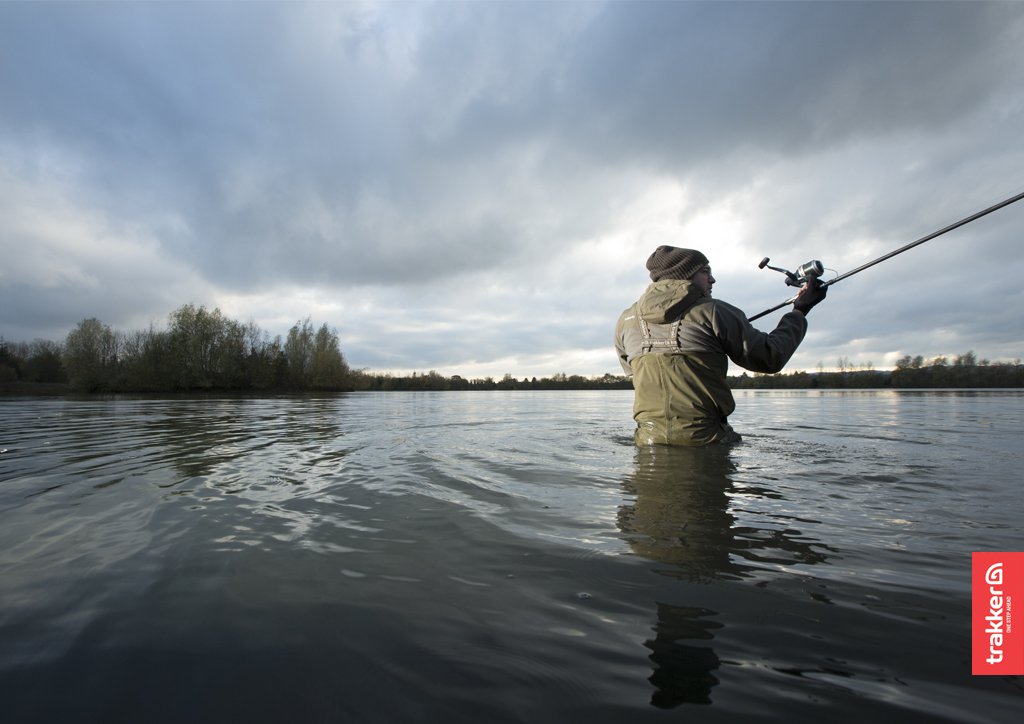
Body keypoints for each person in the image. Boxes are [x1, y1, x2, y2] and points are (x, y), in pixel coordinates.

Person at [615, 245, 827, 446]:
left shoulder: (625, 321)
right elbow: (770, 357)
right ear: (685, 275)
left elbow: (633, 373)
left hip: (647, 441)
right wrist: (799, 311)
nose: (712, 279)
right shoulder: (716, 312)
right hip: (708, 443)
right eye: (705, 272)